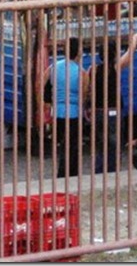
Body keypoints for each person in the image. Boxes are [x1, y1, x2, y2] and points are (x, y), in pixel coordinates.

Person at [46, 37, 87, 178]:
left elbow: (41, 83)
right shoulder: (81, 72)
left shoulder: (53, 67)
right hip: (74, 113)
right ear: (78, 52)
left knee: (63, 143)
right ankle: (68, 174)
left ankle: (65, 173)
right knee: (73, 145)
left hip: (57, 112)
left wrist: (45, 103)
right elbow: (84, 94)